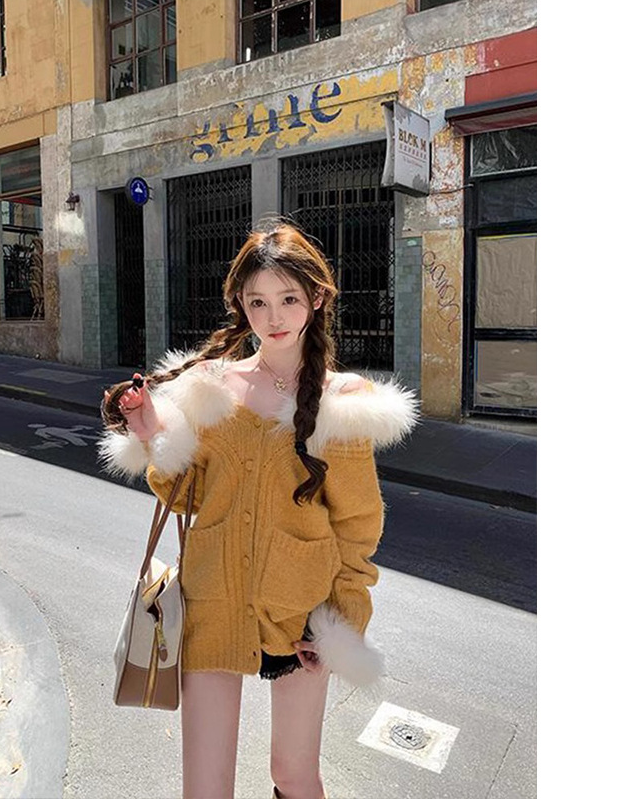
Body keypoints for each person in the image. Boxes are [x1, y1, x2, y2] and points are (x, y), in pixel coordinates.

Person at [99, 222, 417, 799]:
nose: (274, 317)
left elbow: (357, 525)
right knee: (205, 786)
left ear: (316, 297)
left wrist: (343, 618)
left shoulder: (342, 402)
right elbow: (186, 495)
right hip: (212, 599)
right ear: (240, 306)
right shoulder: (210, 387)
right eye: (258, 302)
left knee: (294, 776)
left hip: (303, 612)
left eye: (289, 298)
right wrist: (150, 432)